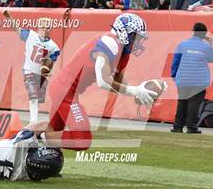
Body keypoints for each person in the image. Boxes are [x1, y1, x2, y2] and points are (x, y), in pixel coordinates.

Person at [19, 13, 165, 151]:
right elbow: (103, 81)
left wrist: (137, 94)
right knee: (81, 139)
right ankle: (37, 139)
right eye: (136, 37)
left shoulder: (123, 52)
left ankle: (20, 138)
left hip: (66, 90)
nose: (138, 42)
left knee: (54, 131)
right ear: (124, 32)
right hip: (65, 90)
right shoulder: (110, 43)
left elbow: (117, 78)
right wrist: (135, 91)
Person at [3, 13, 60, 125]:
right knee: (33, 96)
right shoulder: (30, 35)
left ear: (50, 29)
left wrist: (50, 70)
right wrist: (9, 17)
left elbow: (53, 61)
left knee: (38, 99)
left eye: (47, 27)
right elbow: (17, 29)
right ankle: (33, 122)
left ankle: (34, 120)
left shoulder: (53, 46)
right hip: (29, 70)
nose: (45, 29)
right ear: (38, 27)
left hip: (41, 74)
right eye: (43, 27)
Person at [170, 23, 213, 134]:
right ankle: (191, 127)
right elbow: (212, 59)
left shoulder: (182, 44)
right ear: (204, 34)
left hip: (183, 79)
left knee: (182, 103)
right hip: (199, 80)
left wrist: (173, 75)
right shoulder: (206, 47)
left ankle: (177, 126)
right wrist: (210, 44)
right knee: (194, 104)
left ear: (193, 31)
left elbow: (175, 61)